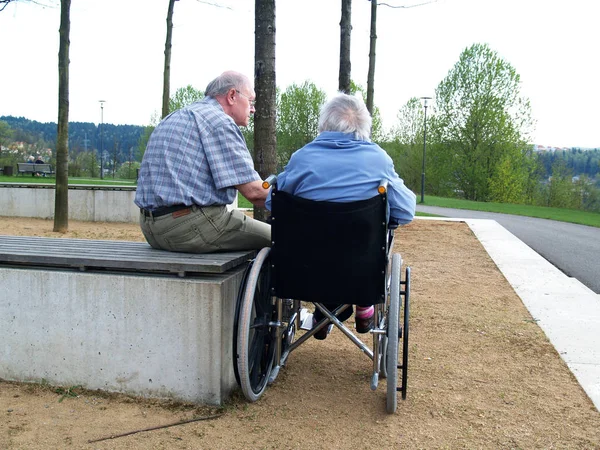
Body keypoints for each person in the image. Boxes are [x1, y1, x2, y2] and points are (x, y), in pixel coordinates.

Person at [266, 93, 416, 338]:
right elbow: (406, 211)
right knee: (368, 240)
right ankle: (364, 306)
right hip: (361, 269)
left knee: (316, 243)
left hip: (303, 271)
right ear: (364, 126)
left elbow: (274, 203)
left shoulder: (301, 158)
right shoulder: (378, 159)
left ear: (324, 124)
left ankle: (325, 310)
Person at [134, 71, 270, 253]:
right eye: (251, 101)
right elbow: (254, 192)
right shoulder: (220, 122)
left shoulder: (177, 116)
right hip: (189, 227)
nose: (253, 109)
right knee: (285, 237)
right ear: (232, 96)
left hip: (150, 229)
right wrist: (295, 202)